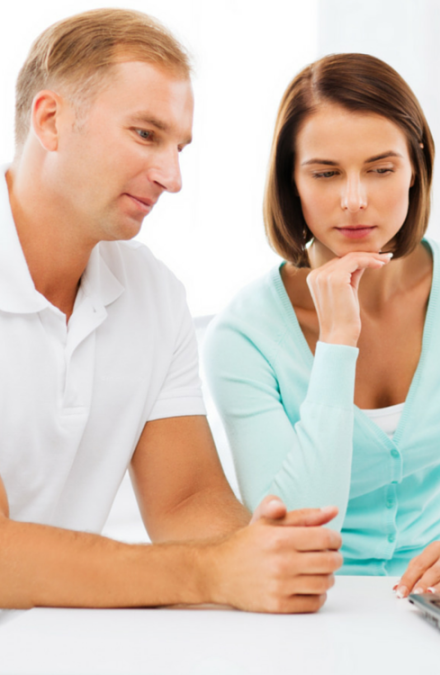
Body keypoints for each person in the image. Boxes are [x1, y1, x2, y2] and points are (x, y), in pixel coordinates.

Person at [0, 8, 341, 613]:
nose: (172, 177)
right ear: (51, 121)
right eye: (145, 134)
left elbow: (186, 501)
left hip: (63, 645)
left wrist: (260, 553)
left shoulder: (152, 294)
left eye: (178, 146)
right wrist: (210, 571)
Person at [204, 53, 440, 597]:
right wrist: (337, 347)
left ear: (415, 168)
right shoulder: (242, 335)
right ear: (291, 181)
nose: (354, 200)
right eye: (325, 173)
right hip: (311, 607)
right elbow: (294, 533)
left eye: (381, 170)